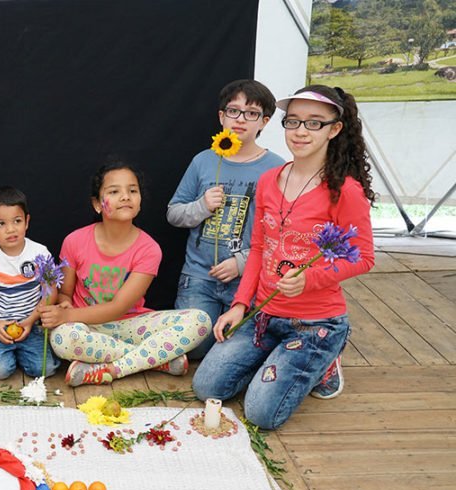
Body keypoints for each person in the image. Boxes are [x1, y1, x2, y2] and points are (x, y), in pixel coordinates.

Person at [192, 85, 375, 429]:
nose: (301, 131)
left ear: (335, 129)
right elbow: (260, 249)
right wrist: (239, 305)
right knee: (207, 387)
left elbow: (363, 257)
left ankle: (326, 356)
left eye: (314, 123)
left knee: (261, 414)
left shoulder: (345, 190)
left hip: (314, 322)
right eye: (293, 122)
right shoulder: (268, 181)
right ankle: (279, 359)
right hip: (264, 314)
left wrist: (310, 278)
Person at [38, 163, 211, 386]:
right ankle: (156, 360)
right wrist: (63, 306)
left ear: (139, 200)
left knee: (200, 320)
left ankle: (114, 369)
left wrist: (65, 317)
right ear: (97, 204)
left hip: (132, 325)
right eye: (114, 191)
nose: (125, 197)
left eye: (132, 190)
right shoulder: (75, 241)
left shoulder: (148, 249)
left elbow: (119, 307)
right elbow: (66, 292)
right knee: (61, 339)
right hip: (87, 326)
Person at [168, 79, 285, 360]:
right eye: (233, 111)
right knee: (195, 350)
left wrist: (242, 262)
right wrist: (202, 206)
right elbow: (173, 213)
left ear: (264, 122)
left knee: (240, 349)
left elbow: (283, 233)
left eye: (251, 113)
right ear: (221, 117)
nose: (240, 119)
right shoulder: (203, 161)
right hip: (199, 278)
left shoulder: (276, 168)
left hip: (248, 281)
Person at [0, 186, 60, 380]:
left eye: (17, 221)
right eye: (1, 224)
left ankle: (21, 352)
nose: (11, 229)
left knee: (45, 369)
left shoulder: (40, 253)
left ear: (27, 221)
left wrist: (29, 322)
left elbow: (50, 291)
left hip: (30, 323)